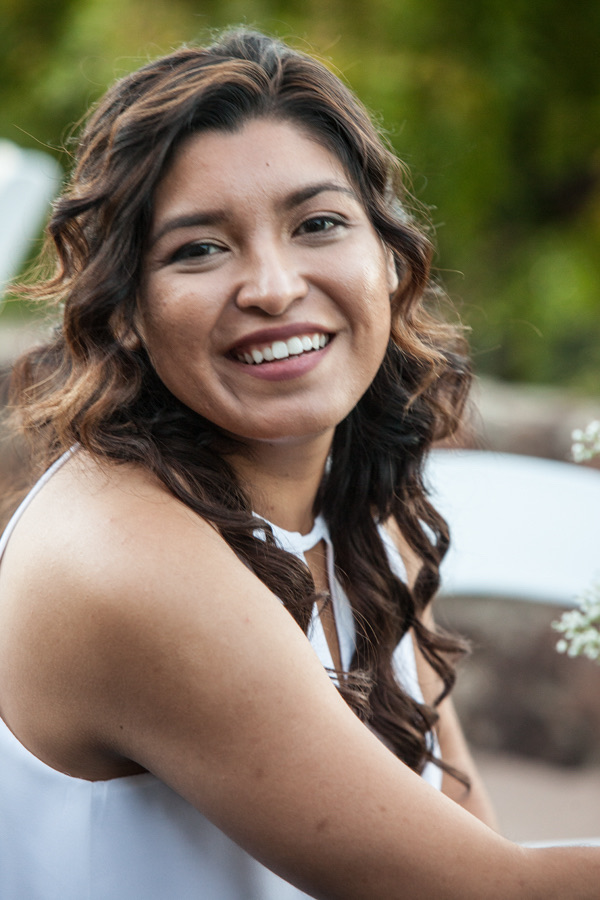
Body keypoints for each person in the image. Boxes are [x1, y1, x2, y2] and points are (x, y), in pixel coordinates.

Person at [0, 28, 598, 900]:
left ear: (389, 262)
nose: (274, 287)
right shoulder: (123, 560)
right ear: (125, 309)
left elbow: (465, 825)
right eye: (199, 248)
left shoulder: (355, 504)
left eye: (318, 224)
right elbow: (481, 890)